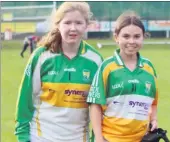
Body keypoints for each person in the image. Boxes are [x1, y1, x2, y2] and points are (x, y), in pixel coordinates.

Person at [15, 2, 103, 142]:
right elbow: (25, 100)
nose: (73, 28)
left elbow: (99, 106)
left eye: (78, 23)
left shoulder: (95, 60)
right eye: (67, 23)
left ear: (86, 25)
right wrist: (22, 136)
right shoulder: (42, 56)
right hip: (41, 137)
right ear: (58, 25)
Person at [87, 11, 158, 142]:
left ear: (143, 37)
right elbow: (95, 105)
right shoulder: (107, 67)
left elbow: (153, 102)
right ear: (116, 37)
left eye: (137, 36)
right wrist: (98, 138)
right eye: (126, 36)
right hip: (110, 138)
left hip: (140, 138)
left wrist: (154, 119)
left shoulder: (149, 68)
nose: (131, 41)